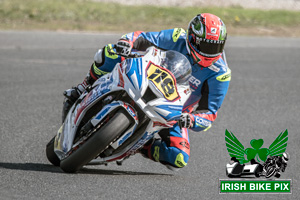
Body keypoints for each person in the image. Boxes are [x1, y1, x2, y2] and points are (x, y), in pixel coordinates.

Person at [63, 13, 231, 170]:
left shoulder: (221, 73)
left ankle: (143, 146)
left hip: (172, 112)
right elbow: (143, 38)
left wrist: (191, 119)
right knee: (111, 53)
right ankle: (83, 87)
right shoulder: (177, 37)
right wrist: (126, 43)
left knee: (179, 157)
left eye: (216, 46)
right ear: (192, 38)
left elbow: (209, 112)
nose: (211, 51)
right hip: (145, 77)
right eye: (207, 45)